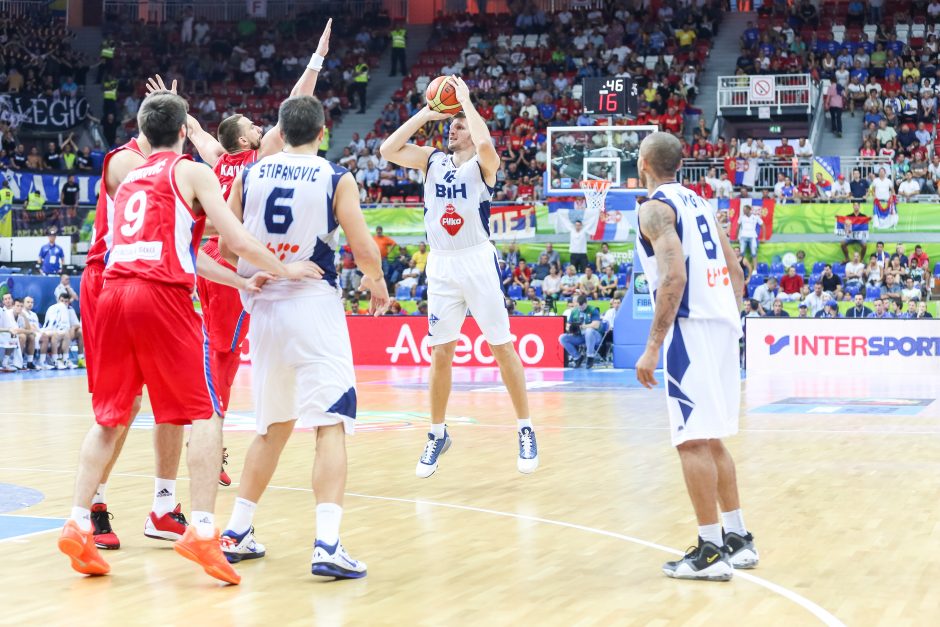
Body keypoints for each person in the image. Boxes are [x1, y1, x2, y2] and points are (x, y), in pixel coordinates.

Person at [57, 91, 320, 584]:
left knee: (109, 417)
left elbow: (183, 249)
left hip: (113, 294)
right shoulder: (193, 172)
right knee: (205, 412)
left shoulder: (129, 178)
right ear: (183, 134)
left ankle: (76, 521)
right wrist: (284, 268)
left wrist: (241, 282)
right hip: (160, 297)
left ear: (143, 132)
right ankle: (201, 530)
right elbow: (234, 240)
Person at [220, 95, 389, 575]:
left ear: (280, 130)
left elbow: (227, 239)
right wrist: (376, 282)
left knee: (271, 426)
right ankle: (328, 544)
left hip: (263, 306)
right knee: (330, 422)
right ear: (322, 132)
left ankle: (237, 530)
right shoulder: (336, 177)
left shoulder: (249, 174)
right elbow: (362, 246)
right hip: (311, 304)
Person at [380, 75, 539, 477]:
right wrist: (427, 112)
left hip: (477, 260)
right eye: (452, 124)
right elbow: (388, 149)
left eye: (460, 124)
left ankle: (525, 427)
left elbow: (485, 146)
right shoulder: (432, 160)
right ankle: (437, 433)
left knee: (502, 347)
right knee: (441, 354)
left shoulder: (485, 166)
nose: (454, 127)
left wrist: (466, 102)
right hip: (442, 264)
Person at [633, 132, 755, 581]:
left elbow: (673, 276)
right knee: (712, 436)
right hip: (723, 326)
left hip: (691, 328)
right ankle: (738, 538)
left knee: (690, 440)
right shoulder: (702, 204)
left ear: (644, 162)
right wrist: (728, 316)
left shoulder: (654, 208)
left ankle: (708, 550)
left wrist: (651, 347)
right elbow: (737, 272)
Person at [559, 295, 602, 368]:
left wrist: (583, 326)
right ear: (577, 304)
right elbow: (568, 324)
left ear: (586, 303)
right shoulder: (574, 311)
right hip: (580, 336)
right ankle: (577, 357)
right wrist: (570, 328)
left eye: (583, 306)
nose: (581, 308)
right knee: (562, 338)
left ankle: (590, 356)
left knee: (589, 330)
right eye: (579, 306)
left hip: (595, 336)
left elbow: (596, 325)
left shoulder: (593, 310)